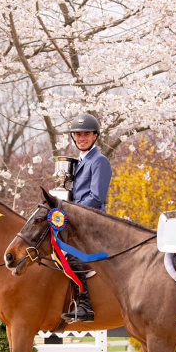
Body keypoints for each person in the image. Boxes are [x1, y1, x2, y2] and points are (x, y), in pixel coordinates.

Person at [61, 113, 113, 323]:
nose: (82, 138)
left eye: (86, 134)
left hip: (91, 220)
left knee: (72, 254)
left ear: (95, 136)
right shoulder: (80, 161)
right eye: (78, 134)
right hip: (78, 218)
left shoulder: (99, 161)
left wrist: (71, 212)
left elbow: (96, 197)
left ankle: (85, 305)